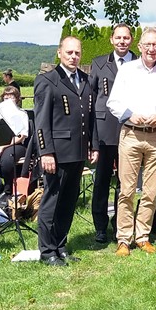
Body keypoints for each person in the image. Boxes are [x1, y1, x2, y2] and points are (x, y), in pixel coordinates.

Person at [107, 28, 156, 255]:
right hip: (131, 134)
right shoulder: (127, 71)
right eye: (147, 44)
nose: (151, 49)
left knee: (150, 191)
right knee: (126, 190)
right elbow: (113, 101)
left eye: (155, 45)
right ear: (140, 46)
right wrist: (130, 114)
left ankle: (143, 236)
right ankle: (123, 239)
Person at [34, 36, 96, 266]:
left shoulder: (85, 80)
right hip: (57, 153)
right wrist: (46, 152)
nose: (73, 57)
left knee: (69, 201)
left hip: (78, 152)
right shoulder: (48, 81)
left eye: (77, 53)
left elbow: (89, 118)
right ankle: (47, 250)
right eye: (69, 52)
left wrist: (93, 146)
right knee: (52, 200)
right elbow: (41, 122)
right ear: (60, 53)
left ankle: (60, 245)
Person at [89, 24, 135, 244]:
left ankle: (121, 223)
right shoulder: (99, 64)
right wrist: (93, 141)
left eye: (126, 38)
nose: (122, 42)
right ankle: (99, 226)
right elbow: (91, 100)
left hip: (131, 131)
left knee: (126, 182)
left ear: (132, 40)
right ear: (111, 40)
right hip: (104, 131)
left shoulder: (139, 62)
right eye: (118, 38)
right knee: (102, 181)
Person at [0, 84, 27, 193]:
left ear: (17, 99)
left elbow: (21, 136)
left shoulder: (21, 114)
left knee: (7, 159)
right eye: (6, 98)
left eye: (12, 97)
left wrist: (4, 146)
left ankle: (8, 188)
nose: (8, 100)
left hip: (16, 144)